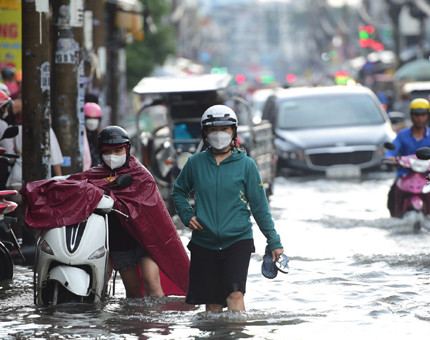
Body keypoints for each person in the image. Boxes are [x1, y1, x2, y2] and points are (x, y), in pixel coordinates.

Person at [53, 126, 189, 298]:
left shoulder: (141, 175)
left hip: (146, 239)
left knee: (152, 285)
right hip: (120, 242)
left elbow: (154, 212)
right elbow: (72, 188)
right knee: (132, 293)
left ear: (127, 149)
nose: (113, 155)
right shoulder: (94, 176)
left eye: (118, 150)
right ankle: (134, 324)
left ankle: (156, 324)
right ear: (101, 151)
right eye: (108, 151)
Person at [172, 104, 284, 312]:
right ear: (205, 132)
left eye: (224, 129)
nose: (219, 134)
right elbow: (178, 191)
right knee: (212, 304)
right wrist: (187, 215)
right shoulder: (195, 163)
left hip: (238, 241)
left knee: (235, 294)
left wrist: (274, 240)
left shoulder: (247, 165)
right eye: (213, 129)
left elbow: (260, 207)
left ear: (233, 131)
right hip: (204, 242)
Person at [385, 98, 430, 217]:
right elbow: (393, 149)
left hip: (428, 176)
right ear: (411, 115)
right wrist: (390, 157)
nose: (420, 118)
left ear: (428, 115)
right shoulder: (402, 134)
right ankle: (394, 216)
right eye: (416, 114)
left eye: (423, 114)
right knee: (392, 192)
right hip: (404, 174)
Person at [83, 102, 103, 168]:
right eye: (89, 118)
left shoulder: (101, 137)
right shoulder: (81, 136)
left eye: (95, 118)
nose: (92, 121)